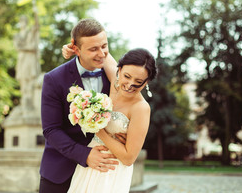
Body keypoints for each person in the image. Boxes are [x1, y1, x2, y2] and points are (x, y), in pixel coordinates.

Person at [39, 18, 119, 193]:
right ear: (76, 49)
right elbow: (51, 130)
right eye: (93, 49)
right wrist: (85, 154)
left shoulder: (115, 76)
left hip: (103, 174)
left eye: (104, 46)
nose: (101, 54)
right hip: (59, 173)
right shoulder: (53, 79)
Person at [63, 45, 157, 193]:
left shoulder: (141, 108)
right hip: (90, 161)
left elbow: (128, 158)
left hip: (112, 170)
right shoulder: (114, 80)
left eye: (138, 82)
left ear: (146, 82)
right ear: (119, 69)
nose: (130, 84)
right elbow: (98, 44)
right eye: (127, 76)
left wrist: (99, 131)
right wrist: (73, 46)